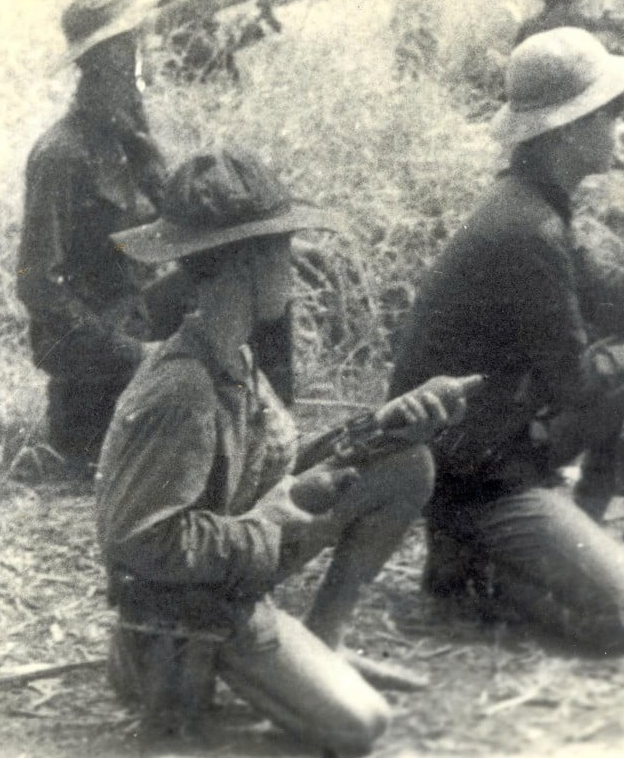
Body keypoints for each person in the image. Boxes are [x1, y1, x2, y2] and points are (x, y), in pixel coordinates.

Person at [389, 27, 624, 652]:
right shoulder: (526, 230)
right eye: (612, 112)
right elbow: (574, 386)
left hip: (496, 454)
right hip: (478, 479)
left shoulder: (533, 207)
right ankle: (469, 570)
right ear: (569, 129)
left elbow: (617, 304)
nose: (623, 125)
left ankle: (558, 545)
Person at [97, 149, 471, 753]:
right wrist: (270, 520)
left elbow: (274, 474)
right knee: (359, 725)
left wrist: (382, 426)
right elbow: (141, 543)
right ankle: (184, 705)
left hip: (227, 577)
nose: (292, 267)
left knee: (404, 463)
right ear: (247, 261)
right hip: (182, 617)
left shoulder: (234, 356)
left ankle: (323, 644)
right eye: (283, 249)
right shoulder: (184, 388)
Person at [16, 0, 169, 487]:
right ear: (109, 60)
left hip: (137, 323)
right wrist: (129, 352)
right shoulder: (61, 155)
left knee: (246, 262)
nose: (146, 59)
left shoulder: (126, 139)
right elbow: (37, 286)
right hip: (94, 370)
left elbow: (177, 225)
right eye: (135, 47)